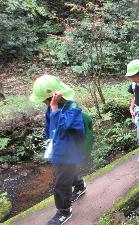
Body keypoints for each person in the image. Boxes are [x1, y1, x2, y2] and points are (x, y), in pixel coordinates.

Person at [30, 75, 87, 225]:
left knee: (61, 183)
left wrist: (54, 109)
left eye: (44, 100)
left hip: (69, 150)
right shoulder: (50, 109)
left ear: (53, 97)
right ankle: (80, 185)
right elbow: (50, 127)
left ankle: (64, 210)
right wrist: (48, 140)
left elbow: (63, 128)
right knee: (67, 173)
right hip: (58, 148)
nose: (44, 103)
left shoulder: (72, 109)